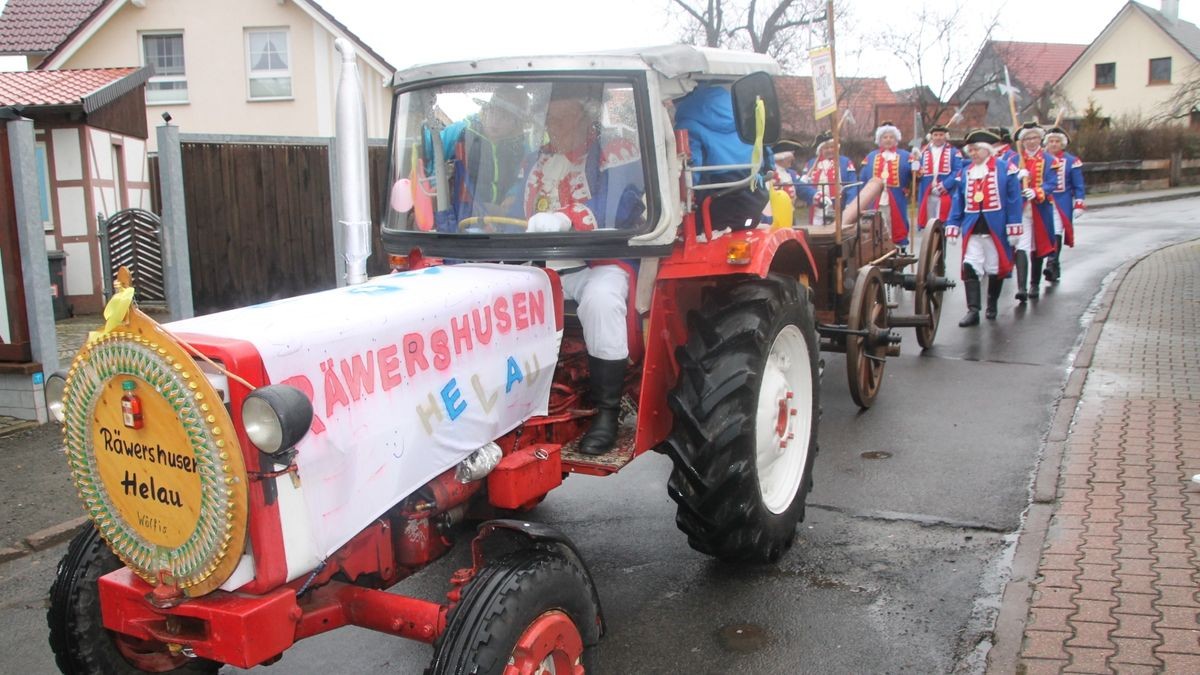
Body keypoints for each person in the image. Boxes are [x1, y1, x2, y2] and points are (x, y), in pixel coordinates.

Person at [523, 82, 645, 455]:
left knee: (601, 302)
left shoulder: (615, 149)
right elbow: (517, 206)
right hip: (545, 263)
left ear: (586, 114)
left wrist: (567, 218)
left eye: (562, 118)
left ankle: (607, 412)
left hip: (599, 260)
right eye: (550, 119)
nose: (554, 127)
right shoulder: (537, 158)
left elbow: (621, 204)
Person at [945, 128, 1022, 326]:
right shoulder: (965, 173)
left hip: (996, 227)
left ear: (987, 150)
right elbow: (958, 200)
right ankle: (973, 310)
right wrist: (953, 224)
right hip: (973, 227)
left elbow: (1014, 200)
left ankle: (992, 304)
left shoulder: (1006, 169)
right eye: (970, 150)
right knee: (970, 265)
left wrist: (1014, 226)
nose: (974, 154)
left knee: (995, 269)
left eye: (977, 150)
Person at [673, 83, 769, 231]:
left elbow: (689, 172)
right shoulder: (743, 119)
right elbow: (765, 153)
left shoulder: (687, 125)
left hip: (715, 201)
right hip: (753, 197)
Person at [439, 85, 533, 227]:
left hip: (504, 220)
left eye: (505, 116)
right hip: (465, 216)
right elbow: (431, 148)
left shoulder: (521, 148)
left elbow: (525, 178)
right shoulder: (463, 133)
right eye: (492, 112)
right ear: (485, 111)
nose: (495, 120)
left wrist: (513, 195)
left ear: (516, 123)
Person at [1013, 122, 1057, 301]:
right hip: (1021, 210)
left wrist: (1037, 191)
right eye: (1027, 139)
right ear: (1022, 141)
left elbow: (1052, 183)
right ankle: (1021, 287)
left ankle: (1034, 284)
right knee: (1021, 246)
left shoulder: (1049, 160)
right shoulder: (1014, 160)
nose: (1031, 142)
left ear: (1040, 139)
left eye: (1034, 138)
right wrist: (1017, 176)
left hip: (1040, 208)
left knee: (1038, 246)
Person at [860, 122, 915, 248]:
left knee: (896, 222)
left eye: (891, 137)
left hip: (896, 197)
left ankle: (898, 247)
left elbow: (917, 177)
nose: (888, 140)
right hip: (875, 197)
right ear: (880, 140)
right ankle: (877, 248)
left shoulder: (906, 155)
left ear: (896, 139)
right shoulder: (871, 156)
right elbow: (863, 178)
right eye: (885, 137)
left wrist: (916, 164)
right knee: (875, 223)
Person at [1043, 126, 1085, 283]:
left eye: (1057, 141)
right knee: (1045, 233)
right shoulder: (1042, 160)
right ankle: (1055, 266)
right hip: (1044, 201)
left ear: (1062, 144)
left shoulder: (1071, 161)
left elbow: (1078, 185)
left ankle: (1051, 262)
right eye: (1051, 141)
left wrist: (1079, 203)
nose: (1054, 144)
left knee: (1057, 232)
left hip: (1062, 202)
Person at [796, 132, 858, 227]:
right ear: (820, 150)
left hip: (839, 207)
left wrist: (850, 204)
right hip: (817, 208)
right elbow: (804, 187)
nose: (830, 150)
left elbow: (852, 185)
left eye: (832, 147)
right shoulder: (811, 164)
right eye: (826, 148)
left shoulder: (845, 162)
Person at [915, 124, 962, 229]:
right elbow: (917, 171)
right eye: (935, 135)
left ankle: (942, 242)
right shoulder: (923, 152)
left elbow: (958, 171)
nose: (938, 137)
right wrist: (915, 163)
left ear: (946, 136)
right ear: (931, 137)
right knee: (929, 223)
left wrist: (945, 185)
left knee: (943, 223)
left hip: (945, 192)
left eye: (941, 135)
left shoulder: (954, 152)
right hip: (927, 192)